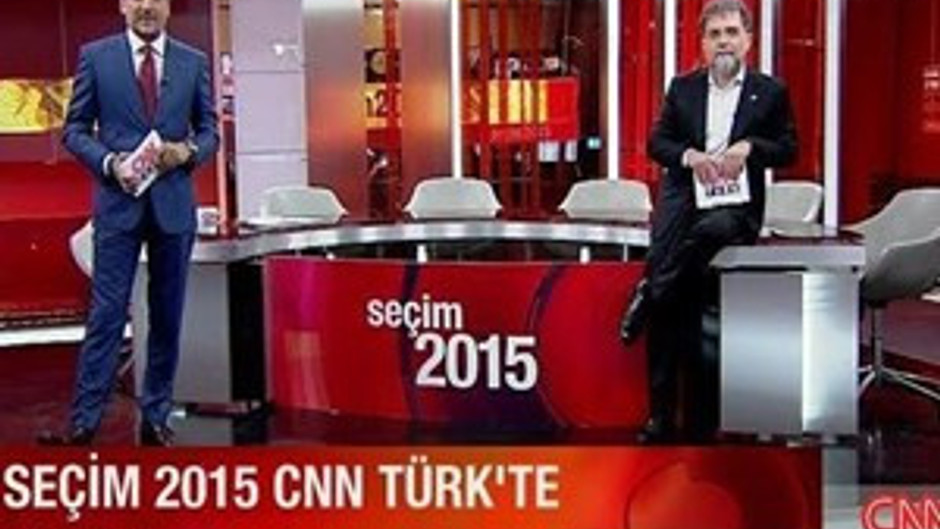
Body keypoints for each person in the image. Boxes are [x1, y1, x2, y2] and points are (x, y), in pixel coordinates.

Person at [39, 0, 218, 446]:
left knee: (166, 315)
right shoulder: (96, 58)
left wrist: (188, 152)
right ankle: (84, 422)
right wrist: (109, 163)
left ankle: (156, 417)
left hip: (173, 208)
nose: (146, 7)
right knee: (107, 314)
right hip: (118, 208)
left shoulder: (193, 62)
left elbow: (210, 131)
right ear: (123, 6)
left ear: (168, 7)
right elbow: (75, 130)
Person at [620, 0, 797, 441]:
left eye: (731, 32)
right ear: (701, 43)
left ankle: (650, 290)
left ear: (748, 40)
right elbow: (657, 143)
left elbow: (788, 148)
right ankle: (661, 416)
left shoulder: (770, 91)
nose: (723, 42)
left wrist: (750, 148)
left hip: (735, 208)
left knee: (676, 273)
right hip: (685, 199)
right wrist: (690, 156)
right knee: (678, 301)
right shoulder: (682, 89)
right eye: (715, 34)